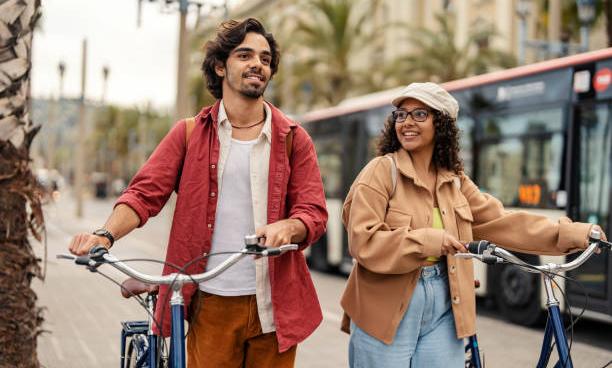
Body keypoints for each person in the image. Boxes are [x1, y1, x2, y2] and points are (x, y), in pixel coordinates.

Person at [68, 18, 327, 367]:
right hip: (212, 300)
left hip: (275, 303)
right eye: (245, 55)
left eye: (265, 59)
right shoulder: (189, 134)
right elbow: (144, 195)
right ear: (220, 66)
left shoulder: (293, 138)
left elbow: (313, 212)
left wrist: (290, 227)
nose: (257, 65)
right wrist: (105, 235)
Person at [340, 82, 605, 367]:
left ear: (441, 124)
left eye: (419, 115)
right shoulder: (381, 170)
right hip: (384, 307)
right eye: (401, 115)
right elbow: (363, 241)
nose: (407, 123)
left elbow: (502, 222)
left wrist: (572, 232)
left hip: (444, 303)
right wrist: (430, 241)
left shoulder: (454, 181)